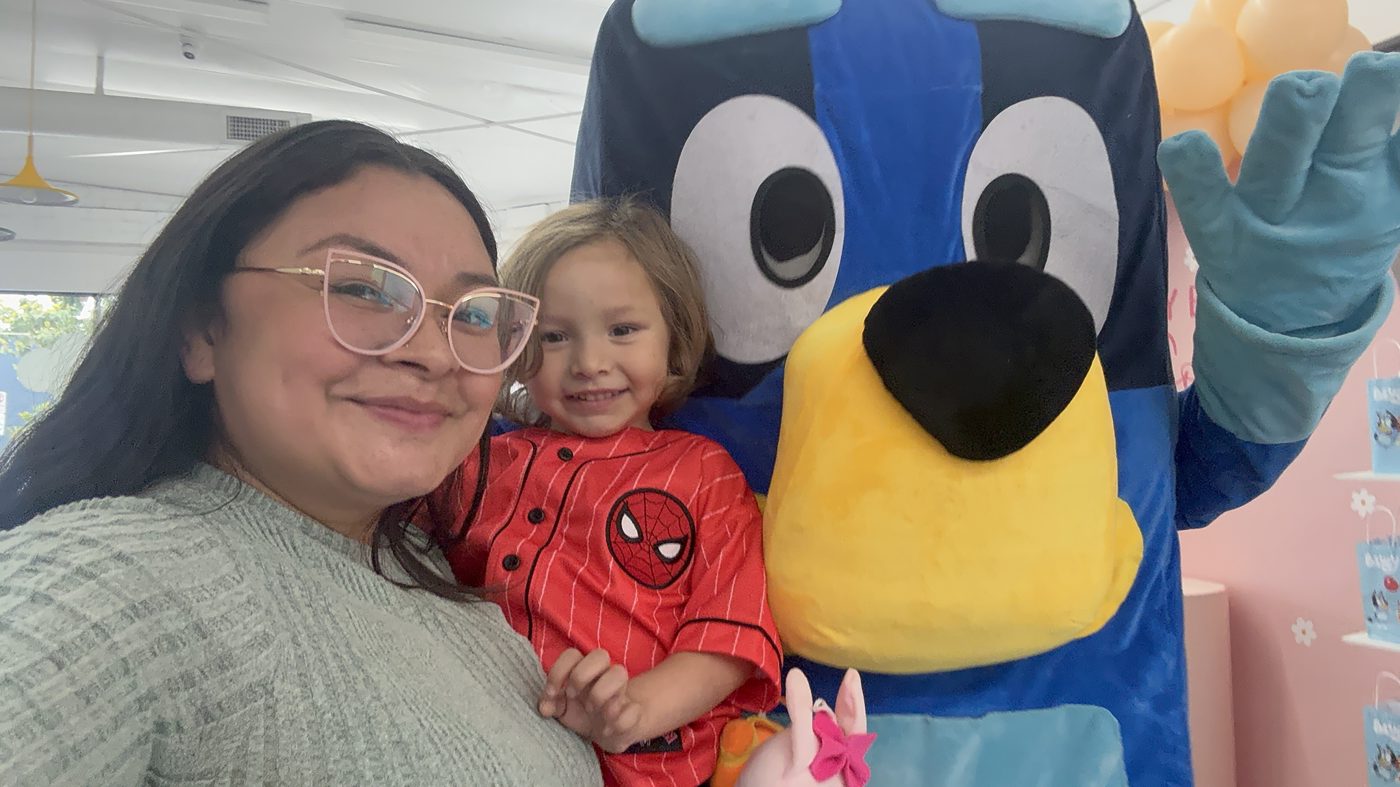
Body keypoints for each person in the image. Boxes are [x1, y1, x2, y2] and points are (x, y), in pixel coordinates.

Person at [0, 120, 603, 786]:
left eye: (473, 314)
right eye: (362, 289)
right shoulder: (119, 572)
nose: (435, 353)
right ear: (202, 328)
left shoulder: (423, 562)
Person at [442, 198, 782, 787]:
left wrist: (633, 712)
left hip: (653, 763)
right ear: (517, 346)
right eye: (554, 337)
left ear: (673, 335)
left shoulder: (704, 472)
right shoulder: (477, 462)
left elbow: (729, 636)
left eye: (622, 330)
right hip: (489, 745)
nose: (590, 362)